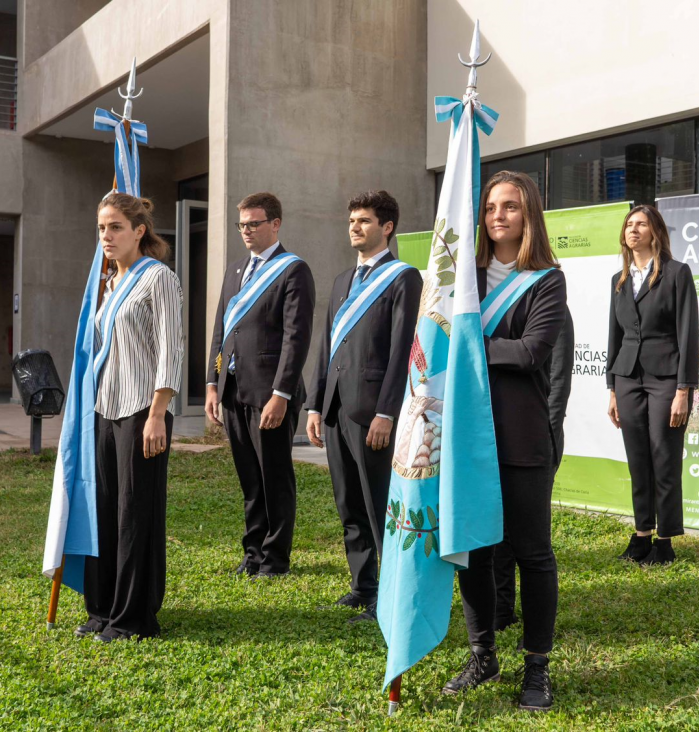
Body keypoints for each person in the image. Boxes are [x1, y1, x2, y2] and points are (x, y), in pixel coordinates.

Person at [442, 171, 566, 713]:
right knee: (474, 552)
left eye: (510, 206)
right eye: (491, 206)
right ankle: (482, 654)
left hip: (519, 437)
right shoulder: (462, 276)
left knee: (533, 554)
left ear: (528, 214)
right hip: (466, 435)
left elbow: (532, 352)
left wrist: (467, 344)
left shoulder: (546, 280)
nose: (498, 215)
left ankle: (537, 667)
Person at [306, 190, 422, 623]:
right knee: (349, 505)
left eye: (365, 221)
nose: (355, 227)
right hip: (336, 409)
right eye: (352, 220)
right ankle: (363, 586)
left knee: (378, 508)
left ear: (387, 227)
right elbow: (326, 348)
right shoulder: (341, 280)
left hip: (373, 412)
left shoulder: (403, 278)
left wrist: (387, 413)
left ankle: (390, 594)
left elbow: (401, 350)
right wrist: (315, 405)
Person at [78, 192, 185, 643]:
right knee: (103, 510)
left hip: (143, 410)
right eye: (102, 227)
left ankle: (133, 617)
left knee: (135, 514)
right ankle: (103, 608)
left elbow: (171, 349)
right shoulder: (107, 284)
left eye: (115, 227)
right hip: (104, 409)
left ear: (139, 231)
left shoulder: (158, 278)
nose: (106, 235)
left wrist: (158, 414)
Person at [205, 192, 315, 580]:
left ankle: (275, 558)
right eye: (242, 225)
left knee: (274, 477)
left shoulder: (292, 270)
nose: (246, 231)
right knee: (249, 477)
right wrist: (212, 383)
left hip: (271, 393)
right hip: (233, 389)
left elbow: (296, 338)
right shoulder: (235, 270)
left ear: (275, 224)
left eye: (254, 224)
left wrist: (282, 394)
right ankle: (252, 551)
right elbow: (221, 329)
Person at [607, 204, 699, 566]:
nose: (633, 229)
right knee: (638, 459)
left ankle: (665, 541)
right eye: (629, 224)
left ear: (655, 232)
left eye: (641, 224)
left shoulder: (677, 273)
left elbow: (687, 332)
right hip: (627, 378)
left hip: (665, 379)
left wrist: (683, 390)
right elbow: (614, 335)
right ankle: (641, 534)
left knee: (664, 456)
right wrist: (612, 388)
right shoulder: (619, 279)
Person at [492, 307, 573, 633]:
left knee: (528, 540)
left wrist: (547, 437)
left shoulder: (554, 309)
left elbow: (558, 381)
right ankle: (501, 609)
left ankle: (534, 630)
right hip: (500, 439)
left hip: (539, 440)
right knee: (498, 534)